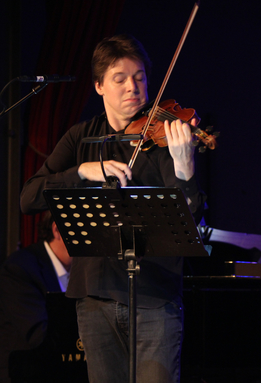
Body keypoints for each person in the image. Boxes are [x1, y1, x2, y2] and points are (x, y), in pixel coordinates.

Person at [20, 34, 206, 383]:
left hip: (155, 299)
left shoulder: (165, 137)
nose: (132, 88)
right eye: (119, 79)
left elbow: (191, 220)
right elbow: (28, 198)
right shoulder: (81, 138)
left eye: (139, 77)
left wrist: (184, 169)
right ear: (99, 86)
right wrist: (80, 172)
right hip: (94, 298)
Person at [0, 211, 71, 382]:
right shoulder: (20, 268)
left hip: (65, 370)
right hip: (26, 374)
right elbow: (38, 336)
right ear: (57, 230)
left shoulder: (85, 274)